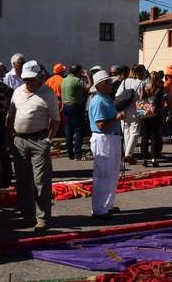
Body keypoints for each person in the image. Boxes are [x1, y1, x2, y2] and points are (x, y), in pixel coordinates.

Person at [7, 60, 59, 232]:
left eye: (31, 79)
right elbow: (11, 116)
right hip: (19, 140)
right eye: (26, 79)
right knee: (22, 181)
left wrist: (48, 141)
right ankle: (27, 216)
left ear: (39, 77)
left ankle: (42, 218)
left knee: (41, 181)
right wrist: (9, 139)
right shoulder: (17, 92)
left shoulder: (48, 93)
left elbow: (55, 120)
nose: (28, 82)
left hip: (39, 140)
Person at [88, 70, 123, 219]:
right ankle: (98, 209)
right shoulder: (98, 101)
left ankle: (107, 205)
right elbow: (101, 125)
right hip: (103, 138)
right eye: (108, 83)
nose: (111, 85)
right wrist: (117, 118)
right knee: (103, 175)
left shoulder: (106, 98)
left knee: (112, 174)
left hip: (111, 137)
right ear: (100, 85)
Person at [116, 65, 143, 165]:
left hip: (123, 110)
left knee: (126, 132)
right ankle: (128, 154)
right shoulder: (141, 83)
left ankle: (127, 154)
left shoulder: (124, 81)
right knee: (134, 133)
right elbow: (141, 99)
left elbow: (117, 95)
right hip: (135, 111)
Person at [60, 64, 87, 161]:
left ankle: (70, 153)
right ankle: (77, 154)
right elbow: (89, 87)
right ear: (78, 72)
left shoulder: (64, 80)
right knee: (78, 130)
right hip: (75, 106)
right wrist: (87, 76)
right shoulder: (78, 80)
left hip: (66, 106)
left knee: (68, 130)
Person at [140, 71, 165, 167]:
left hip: (146, 112)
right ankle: (154, 158)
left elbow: (141, 99)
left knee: (145, 136)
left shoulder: (145, 87)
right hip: (156, 113)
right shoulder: (160, 89)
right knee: (155, 136)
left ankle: (144, 158)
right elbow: (162, 102)